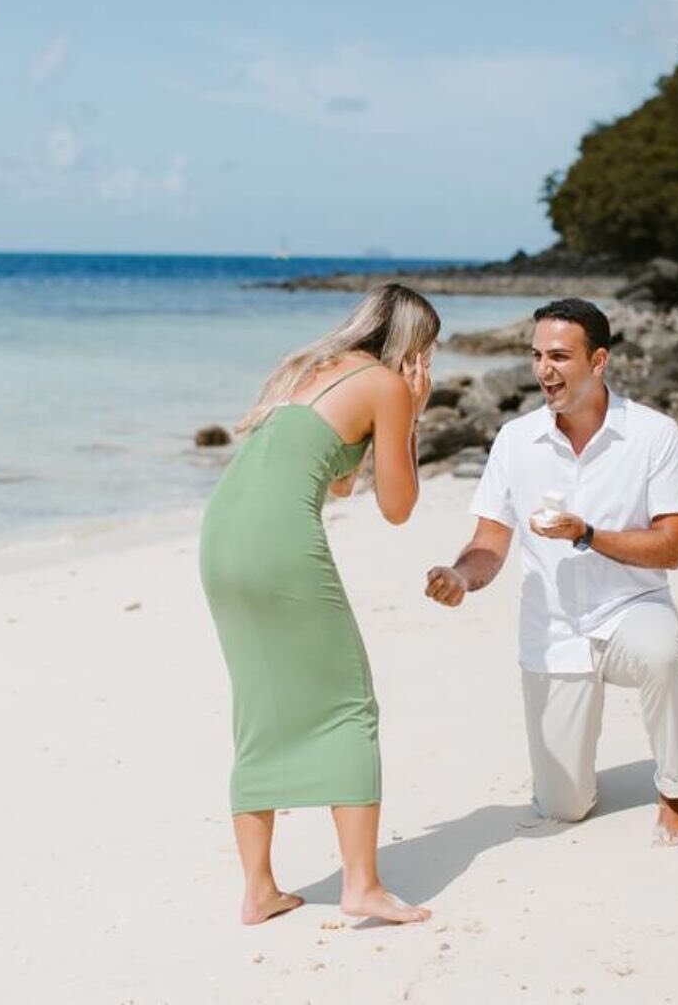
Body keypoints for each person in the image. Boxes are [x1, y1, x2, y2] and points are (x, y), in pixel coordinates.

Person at [200, 283, 439, 925]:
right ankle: (360, 885)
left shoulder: (316, 368)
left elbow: (337, 479)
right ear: (411, 348)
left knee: (259, 706)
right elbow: (398, 508)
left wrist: (386, 421)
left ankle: (259, 891)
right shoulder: (388, 388)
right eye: (428, 352)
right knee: (350, 701)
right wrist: (411, 412)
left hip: (220, 538)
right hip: (278, 542)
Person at [425, 298, 678, 845]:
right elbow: (488, 543)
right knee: (564, 807)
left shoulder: (653, 434)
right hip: (552, 633)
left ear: (598, 362)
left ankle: (675, 791)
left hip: (629, 611)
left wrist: (587, 535)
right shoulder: (515, 440)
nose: (543, 369)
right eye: (535, 356)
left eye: (558, 356)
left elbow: (672, 548)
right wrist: (460, 577)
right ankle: (572, 774)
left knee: (664, 653)